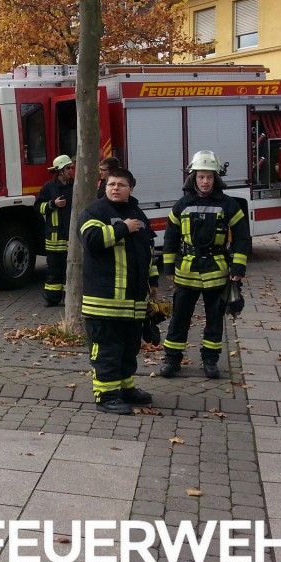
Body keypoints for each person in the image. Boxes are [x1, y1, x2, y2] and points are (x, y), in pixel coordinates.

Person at [159, 150, 250, 380]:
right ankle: (172, 360)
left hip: (216, 271)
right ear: (193, 178)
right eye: (201, 176)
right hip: (187, 271)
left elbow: (241, 238)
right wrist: (168, 267)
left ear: (216, 178)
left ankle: (210, 360)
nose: (205, 181)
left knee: (214, 319)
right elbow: (170, 237)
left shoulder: (228, 205)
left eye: (209, 176)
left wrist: (238, 268)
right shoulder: (181, 205)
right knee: (179, 318)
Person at [79, 167, 158, 415]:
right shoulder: (95, 211)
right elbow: (90, 240)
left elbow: (148, 251)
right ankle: (106, 395)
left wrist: (153, 282)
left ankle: (125, 388)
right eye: (111, 184)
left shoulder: (138, 213)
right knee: (107, 351)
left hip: (132, 303)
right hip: (104, 303)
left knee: (128, 349)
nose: (115, 188)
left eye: (121, 184)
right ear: (104, 186)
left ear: (131, 188)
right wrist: (122, 228)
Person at [36, 155, 74, 306]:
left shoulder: (75, 186)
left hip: (71, 237)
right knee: (54, 272)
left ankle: (69, 299)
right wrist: (53, 204)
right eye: (68, 168)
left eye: (71, 167)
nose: (71, 170)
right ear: (59, 171)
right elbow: (38, 207)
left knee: (70, 271)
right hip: (55, 238)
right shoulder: (48, 187)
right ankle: (52, 298)